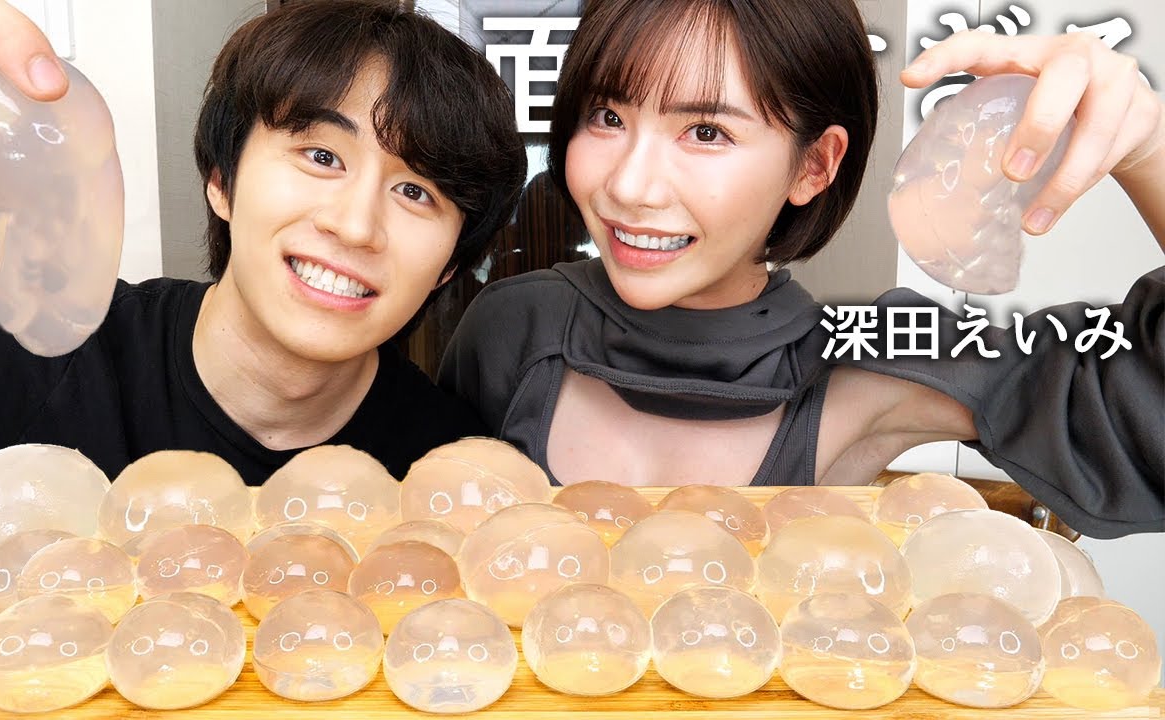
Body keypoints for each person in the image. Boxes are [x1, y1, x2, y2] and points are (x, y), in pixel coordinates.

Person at [440, 0, 1164, 538]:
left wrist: (1149, 151)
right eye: (607, 117)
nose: (629, 185)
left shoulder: (868, 361)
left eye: (705, 131)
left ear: (814, 166)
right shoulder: (515, 328)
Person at [0, 0, 527, 483]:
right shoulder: (37, 346)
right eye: (322, 156)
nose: (356, 226)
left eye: (416, 191)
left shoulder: (449, 479)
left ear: (450, 264)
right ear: (221, 181)